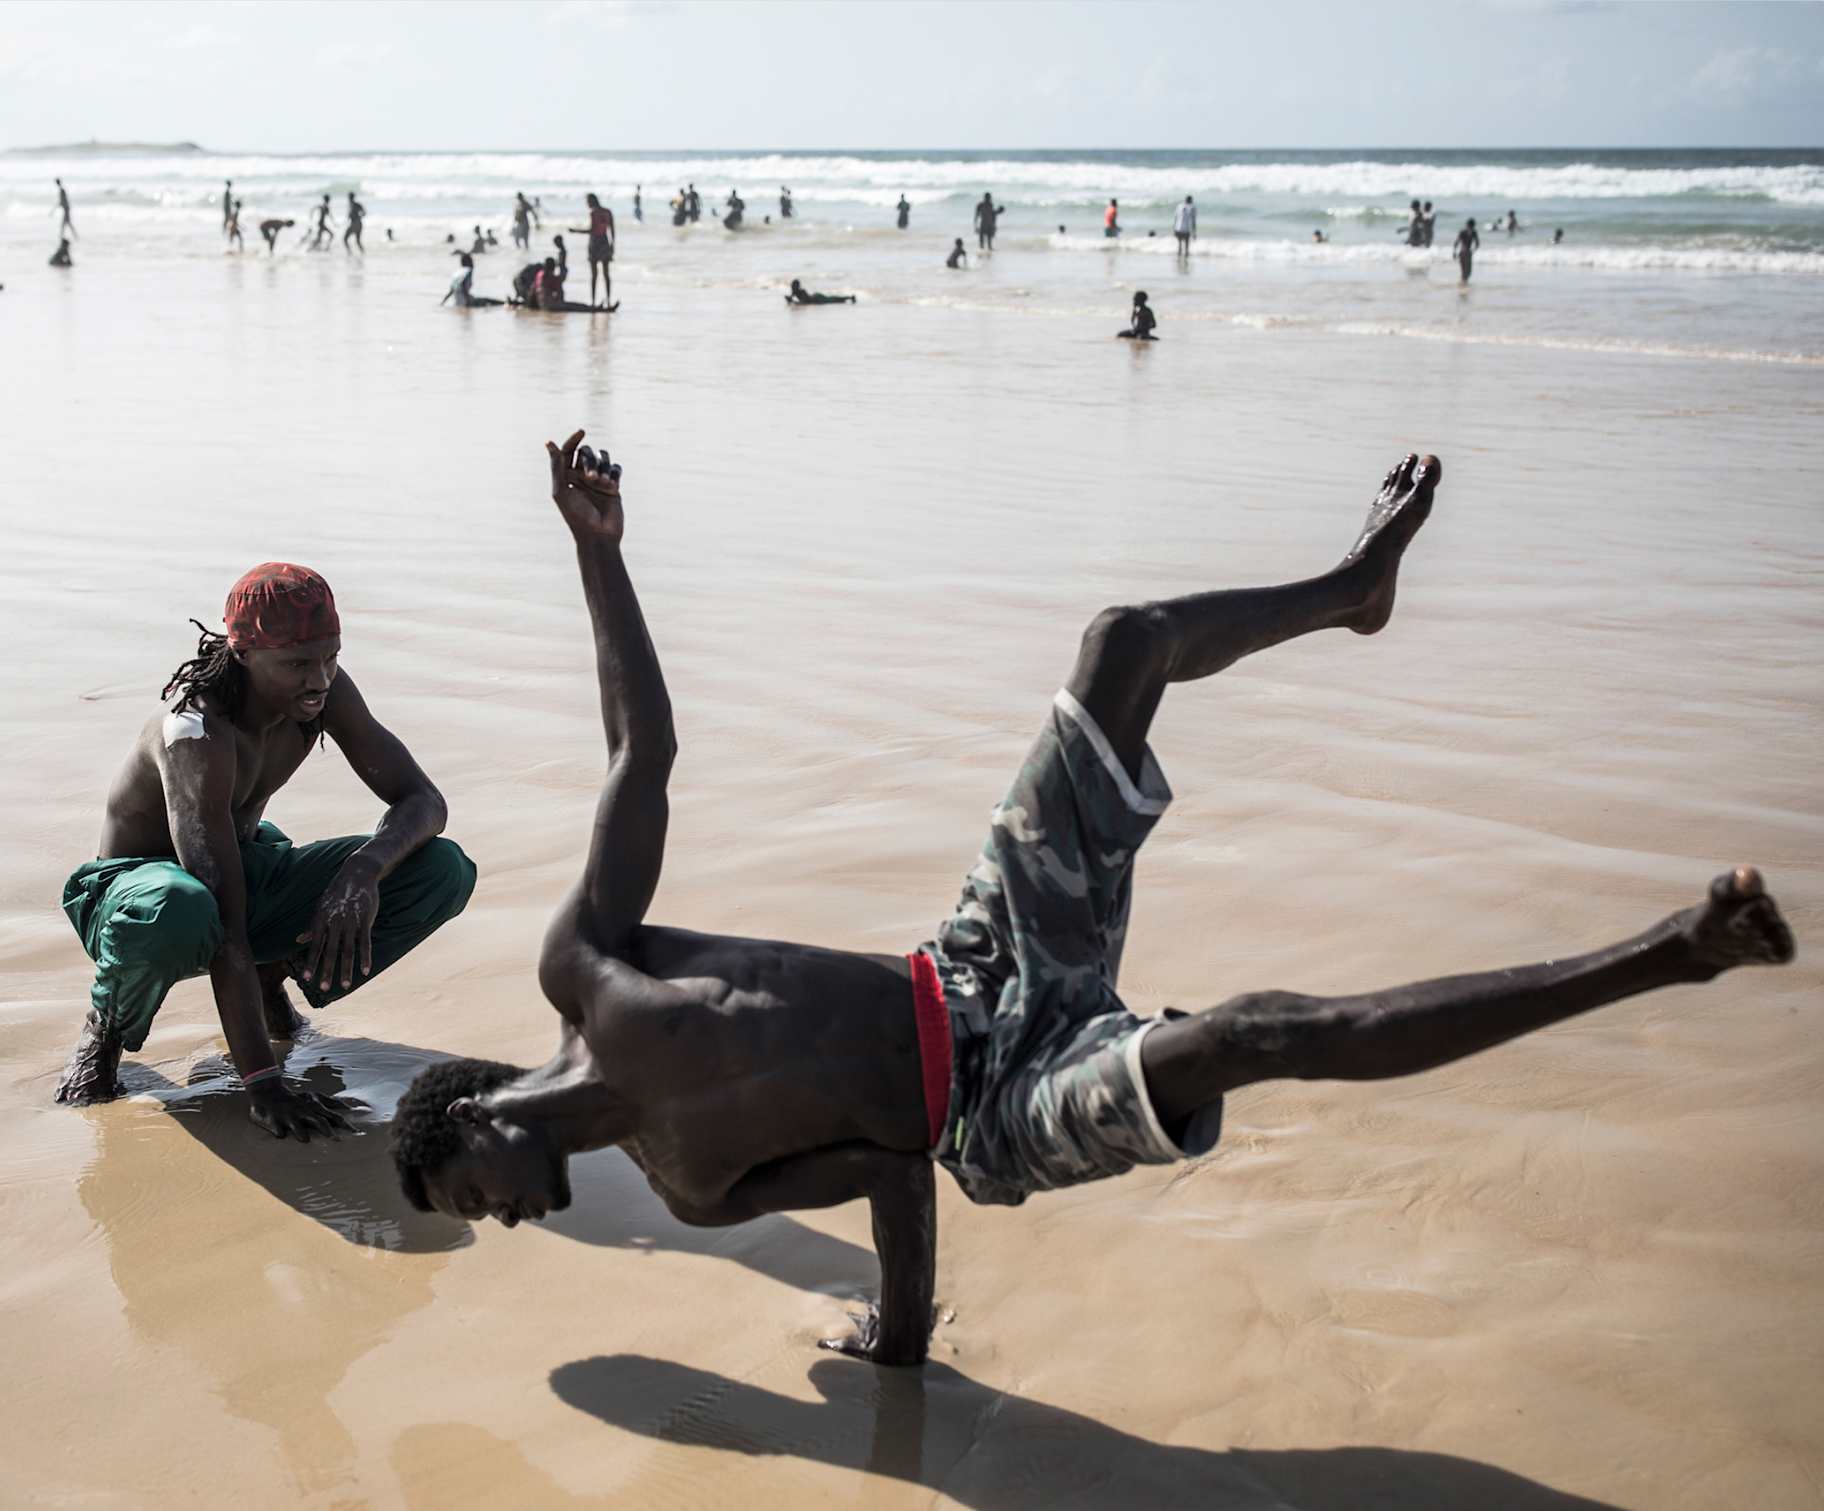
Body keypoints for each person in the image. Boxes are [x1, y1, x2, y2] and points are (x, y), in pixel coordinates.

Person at [390, 438, 1793, 1367]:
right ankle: (1671, 951)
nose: (503, 1217)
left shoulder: (585, 968)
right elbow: (891, 1170)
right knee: (1249, 1031)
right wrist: (897, 1344)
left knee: (1124, 646)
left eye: (473, 1198)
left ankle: (1353, 587)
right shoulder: (690, 1190)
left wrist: (597, 548)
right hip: (997, 1113)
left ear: (469, 1119)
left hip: (974, 965)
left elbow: (644, 751)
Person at [55, 563, 477, 1137]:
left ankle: (271, 976)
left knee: (440, 867)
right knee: (182, 906)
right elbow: (222, 918)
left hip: (245, 864)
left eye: (330, 657)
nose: (320, 680)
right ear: (244, 653)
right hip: (138, 894)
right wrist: (264, 1085)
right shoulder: (195, 732)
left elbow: (423, 801)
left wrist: (362, 872)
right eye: (299, 664)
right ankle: (105, 1029)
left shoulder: (323, 693)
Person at [568, 192, 617, 306]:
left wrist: (575, 231)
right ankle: (608, 300)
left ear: (591, 201)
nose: (587, 204)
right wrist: (612, 245)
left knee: (594, 275)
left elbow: (592, 230)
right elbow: (612, 230)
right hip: (605, 242)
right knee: (606, 274)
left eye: (587, 201)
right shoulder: (607, 212)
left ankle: (593, 301)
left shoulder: (593, 213)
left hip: (595, 243)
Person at [785, 278, 855, 306]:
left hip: (817, 298)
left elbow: (805, 302)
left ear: (797, 286)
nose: (792, 287)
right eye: (792, 286)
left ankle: (850, 297)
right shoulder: (794, 292)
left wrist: (792, 301)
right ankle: (849, 298)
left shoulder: (802, 291)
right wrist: (789, 300)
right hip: (815, 298)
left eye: (793, 286)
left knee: (833, 299)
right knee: (832, 299)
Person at [1453, 218, 1479, 284]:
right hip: (1467, 253)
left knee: (1465, 272)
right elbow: (1477, 243)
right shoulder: (1473, 232)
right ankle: (1463, 286)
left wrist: (1454, 252)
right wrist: (1473, 250)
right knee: (1467, 272)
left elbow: (1456, 242)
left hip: (1462, 252)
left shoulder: (1464, 232)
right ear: (1473, 225)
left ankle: (1462, 285)